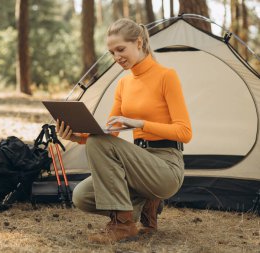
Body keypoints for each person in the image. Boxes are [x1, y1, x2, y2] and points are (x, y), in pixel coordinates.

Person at [56, 18, 192, 244]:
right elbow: (111, 134)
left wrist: (141, 124)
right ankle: (147, 202)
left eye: (121, 49)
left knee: (99, 143)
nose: (116, 57)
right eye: (111, 52)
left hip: (166, 166)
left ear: (138, 43)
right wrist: (76, 137)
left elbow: (185, 132)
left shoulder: (166, 76)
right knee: (82, 196)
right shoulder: (123, 85)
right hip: (138, 165)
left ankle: (123, 225)